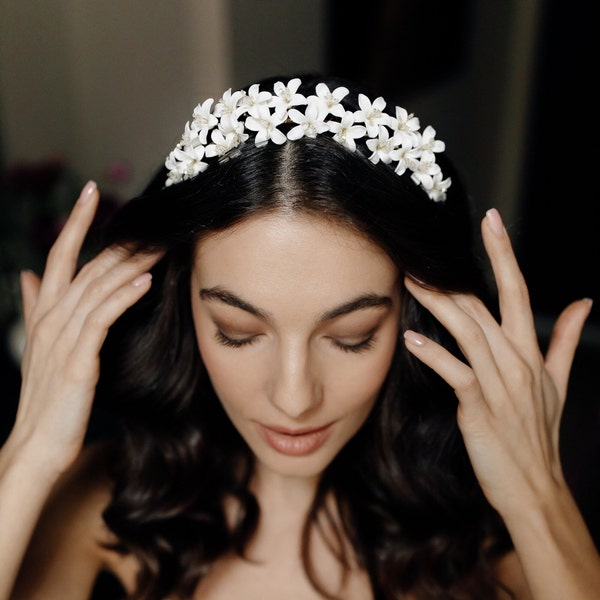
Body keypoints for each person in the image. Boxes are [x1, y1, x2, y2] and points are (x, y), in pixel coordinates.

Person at [1, 74, 598, 600]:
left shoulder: (490, 533)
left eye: (352, 336)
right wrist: (29, 454)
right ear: (184, 308)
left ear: (412, 320)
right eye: (236, 333)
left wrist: (538, 498)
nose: (294, 399)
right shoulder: (116, 502)